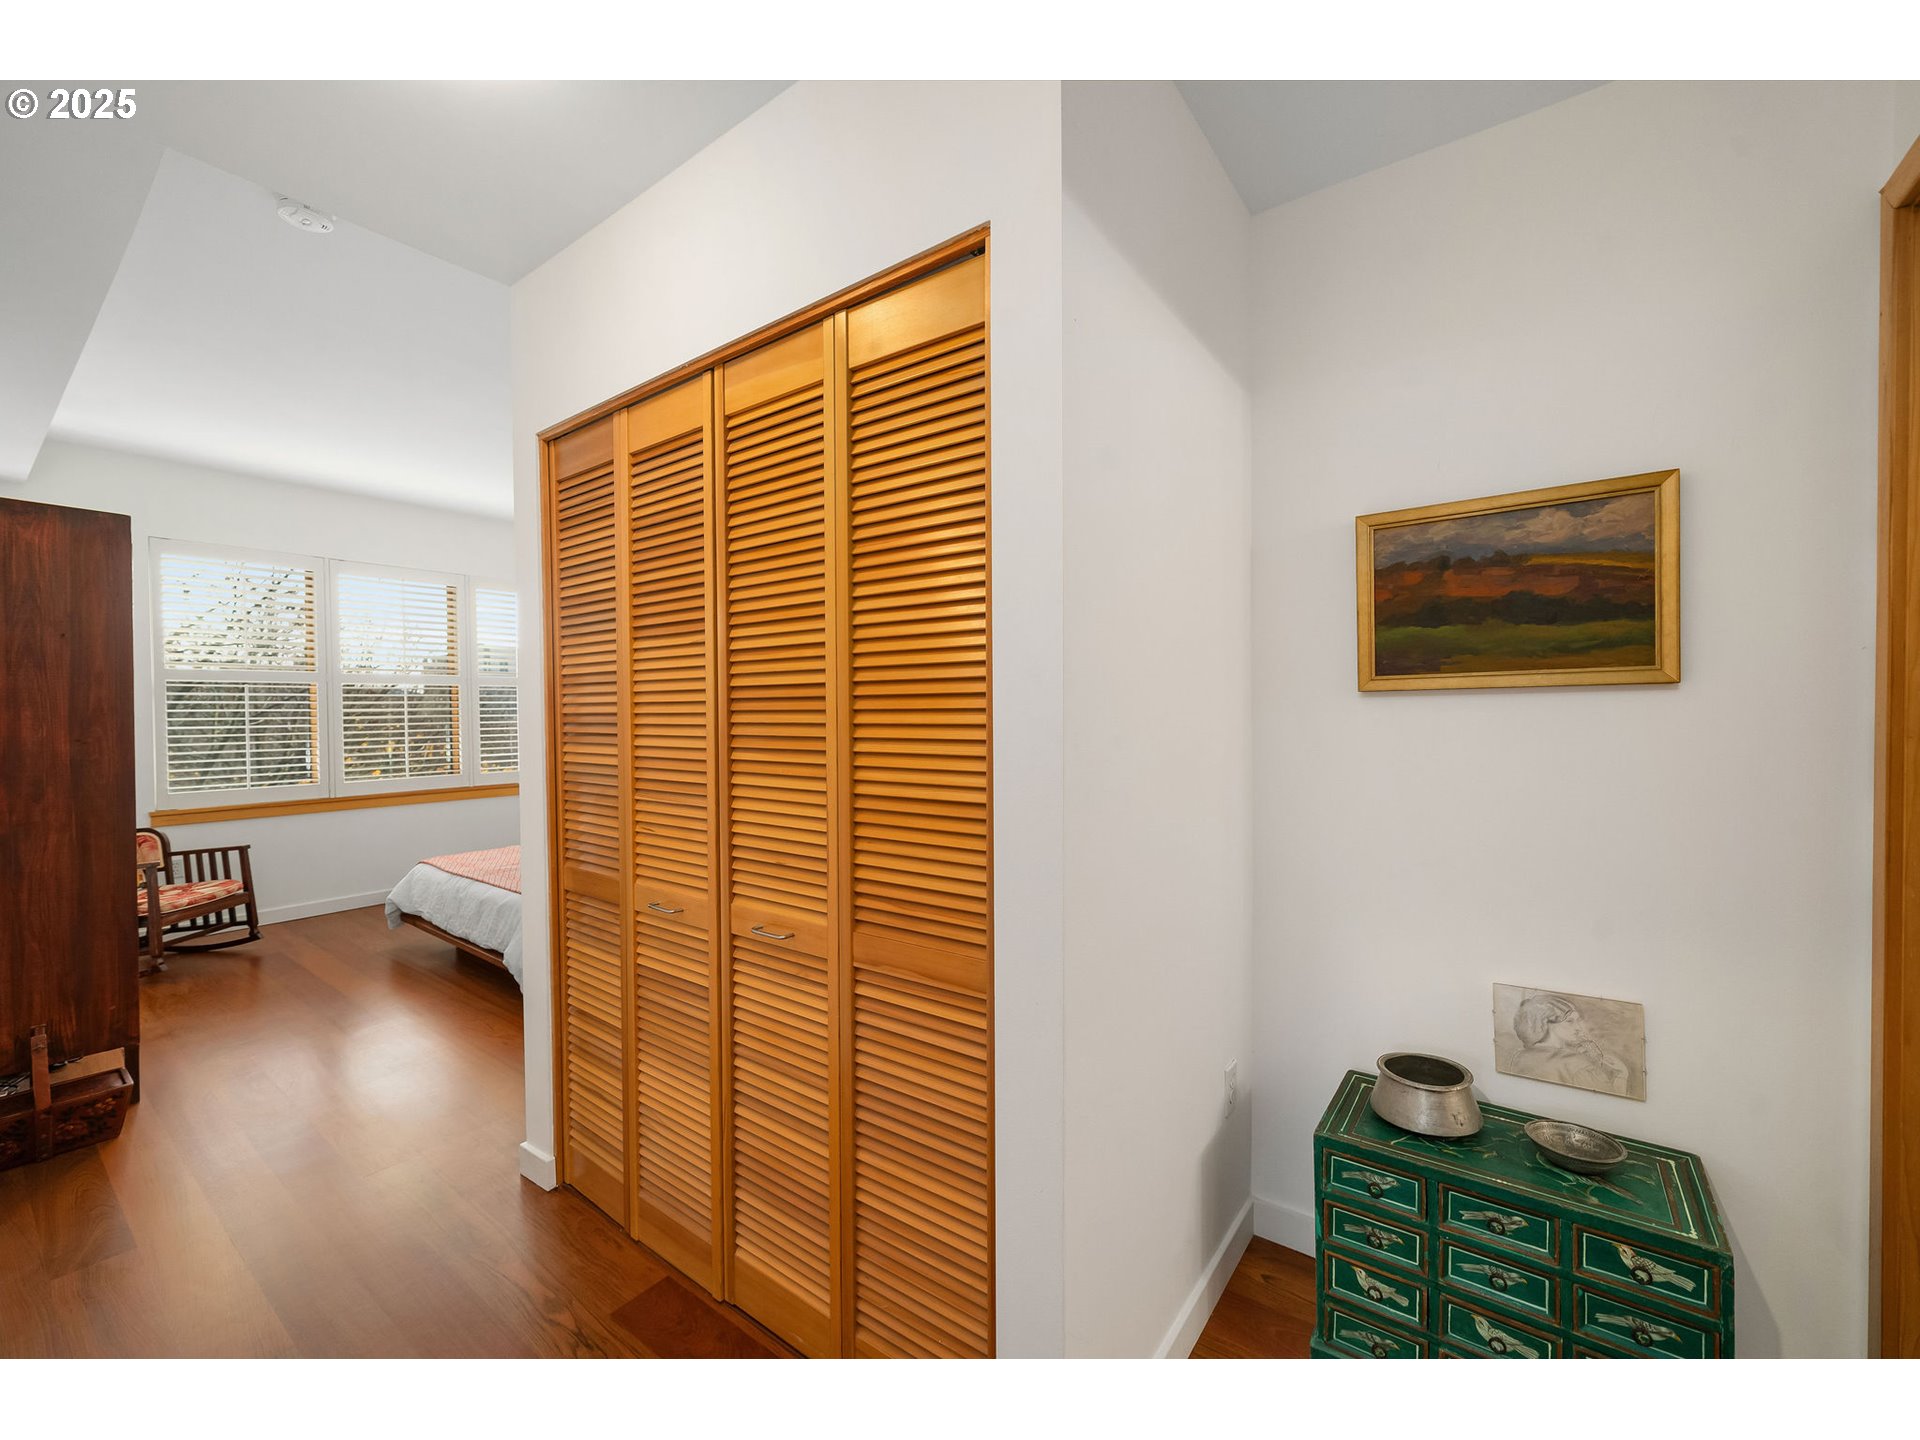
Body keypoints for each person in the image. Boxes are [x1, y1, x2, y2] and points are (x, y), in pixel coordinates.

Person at [1511, 992, 1630, 1092]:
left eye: (1578, 1020)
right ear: (1545, 1023)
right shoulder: (1577, 1064)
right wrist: (1621, 1076)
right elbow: (1607, 1106)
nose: (1578, 1027)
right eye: (1569, 1021)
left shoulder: (1519, 1057)